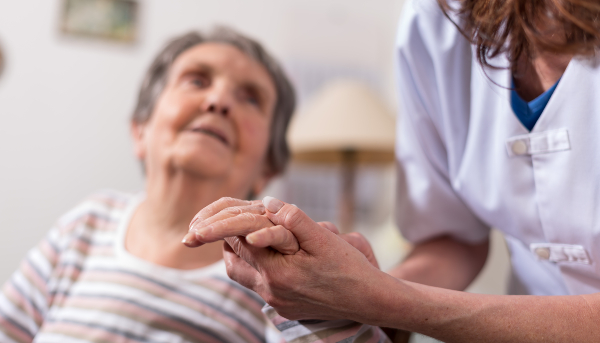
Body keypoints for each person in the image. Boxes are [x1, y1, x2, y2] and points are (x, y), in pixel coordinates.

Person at [185, 0, 600, 341]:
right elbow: (450, 238)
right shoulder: (433, 21)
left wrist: (382, 299)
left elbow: (392, 300)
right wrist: (352, 291)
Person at [0, 27, 390, 343]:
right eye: (197, 80)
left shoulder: (276, 275)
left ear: (268, 167)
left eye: (250, 98)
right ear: (140, 129)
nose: (219, 100)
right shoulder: (86, 224)